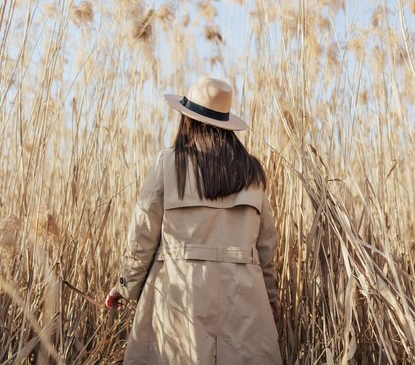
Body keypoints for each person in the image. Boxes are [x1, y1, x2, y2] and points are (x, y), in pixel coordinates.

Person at [105, 77, 282, 364]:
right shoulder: (253, 173)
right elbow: (266, 245)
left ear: (188, 119)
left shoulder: (168, 163)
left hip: (179, 292)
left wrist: (125, 285)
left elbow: (143, 233)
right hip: (243, 298)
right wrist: (271, 296)